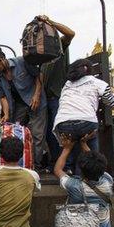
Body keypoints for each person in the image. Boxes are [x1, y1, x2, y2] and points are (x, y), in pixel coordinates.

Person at [0, 45, 47, 171]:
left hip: (35, 102)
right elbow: (3, 98)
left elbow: (38, 76)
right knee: (16, 132)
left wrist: (36, 95)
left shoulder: (22, 62)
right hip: (18, 106)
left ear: (2, 58)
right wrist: (6, 114)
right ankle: (21, 163)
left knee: (37, 134)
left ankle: (36, 166)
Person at [53, 59, 114, 174]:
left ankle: (68, 170)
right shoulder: (96, 82)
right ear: (88, 69)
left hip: (63, 124)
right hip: (86, 123)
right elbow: (113, 103)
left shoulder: (67, 85)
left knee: (70, 142)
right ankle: (86, 177)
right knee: (90, 156)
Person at [39, 15, 75, 169]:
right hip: (44, 99)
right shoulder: (38, 54)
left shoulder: (58, 45)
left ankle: (67, 164)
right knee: (47, 133)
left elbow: (70, 34)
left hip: (57, 97)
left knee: (59, 131)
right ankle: (55, 161)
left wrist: (51, 22)